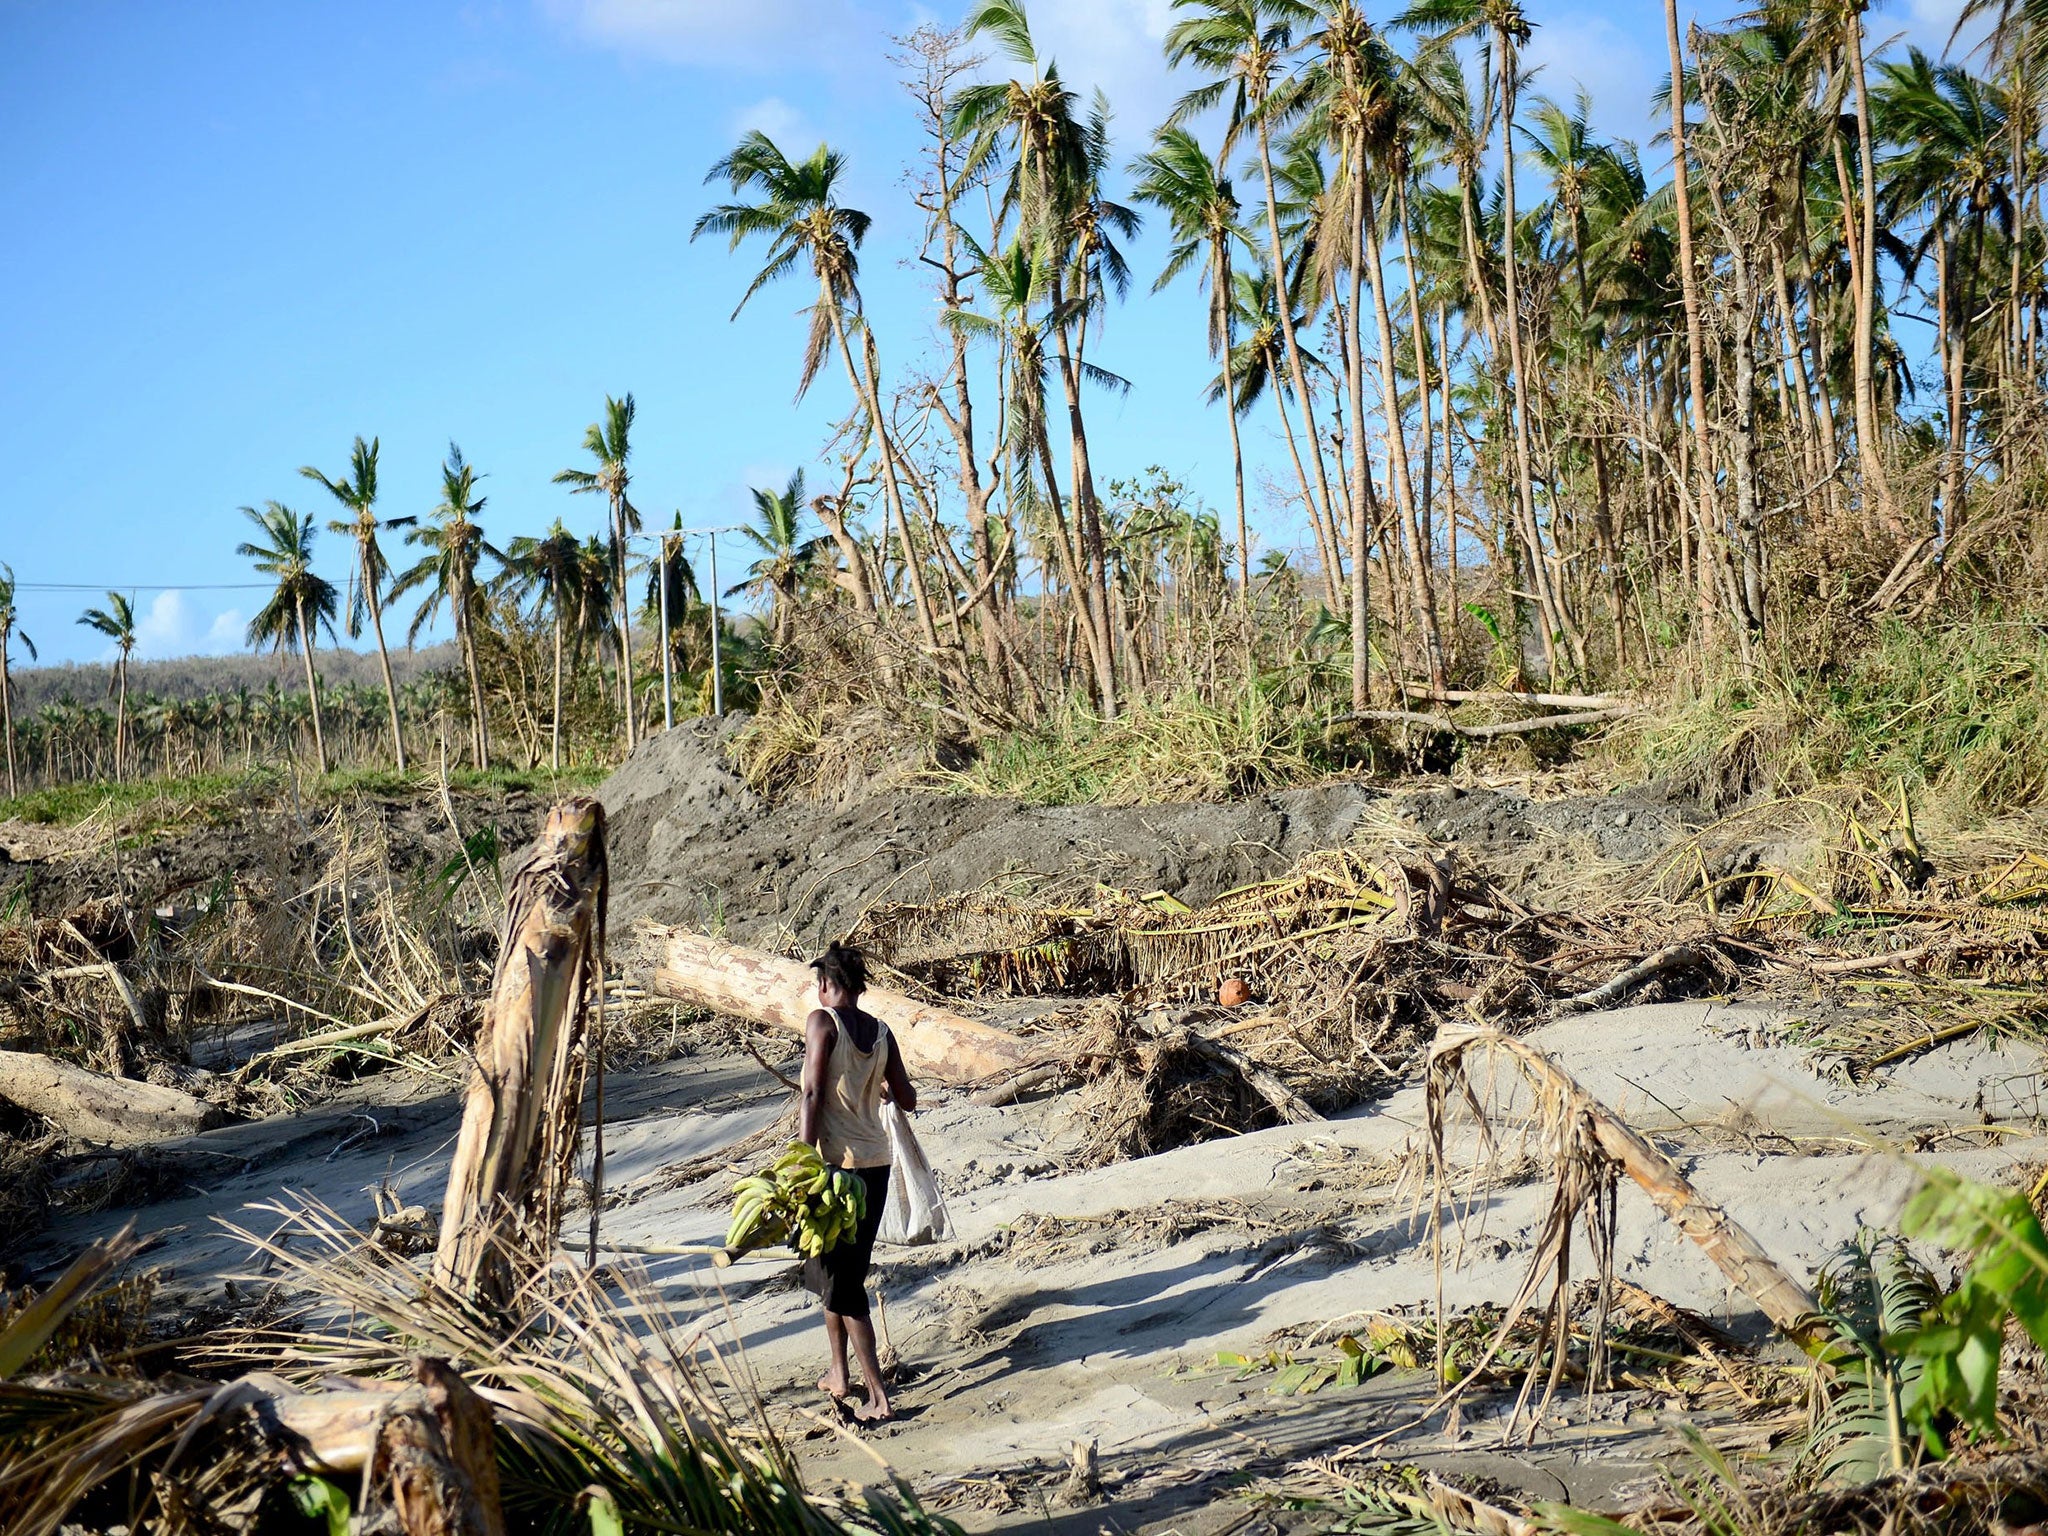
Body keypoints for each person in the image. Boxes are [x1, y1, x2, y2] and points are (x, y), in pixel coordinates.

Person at [798, 939, 914, 1422]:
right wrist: (879, 1084)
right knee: (834, 1273)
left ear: (826, 986)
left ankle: (879, 1397)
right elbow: (907, 1098)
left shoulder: (821, 1022)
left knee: (844, 1286)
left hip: (835, 1170)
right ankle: (838, 1373)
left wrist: (800, 1161)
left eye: (818, 984)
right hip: (877, 1165)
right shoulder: (883, 1032)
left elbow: (811, 1092)